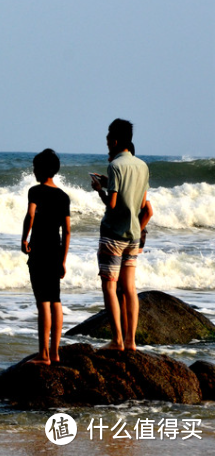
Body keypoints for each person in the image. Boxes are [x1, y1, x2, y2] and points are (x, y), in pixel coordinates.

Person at [90, 119, 150, 351]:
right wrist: (111, 185)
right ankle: (131, 342)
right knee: (130, 288)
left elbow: (113, 204)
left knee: (109, 286)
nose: (106, 143)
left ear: (114, 141)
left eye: (107, 139)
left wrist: (100, 191)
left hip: (113, 235)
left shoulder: (115, 165)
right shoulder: (143, 166)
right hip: (134, 235)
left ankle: (116, 340)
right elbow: (142, 202)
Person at [21, 149, 71, 365]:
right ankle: (55, 352)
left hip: (39, 250)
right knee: (56, 301)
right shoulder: (63, 196)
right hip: (55, 251)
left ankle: (43, 355)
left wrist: (24, 238)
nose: (33, 171)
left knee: (43, 301)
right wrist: (63, 260)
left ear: (41, 169)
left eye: (35, 167)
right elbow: (67, 230)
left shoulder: (35, 191)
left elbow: (30, 214)